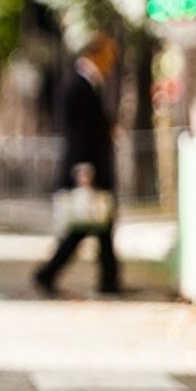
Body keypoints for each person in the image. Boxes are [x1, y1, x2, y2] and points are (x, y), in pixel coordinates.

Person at [34, 35, 121, 295]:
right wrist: (84, 168)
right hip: (87, 168)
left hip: (94, 166)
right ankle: (48, 274)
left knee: (101, 227)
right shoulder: (77, 86)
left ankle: (109, 280)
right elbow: (78, 132)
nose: (112, 62)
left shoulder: (90, 84)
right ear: (95, 53)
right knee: (83, 228)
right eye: (108, 55)